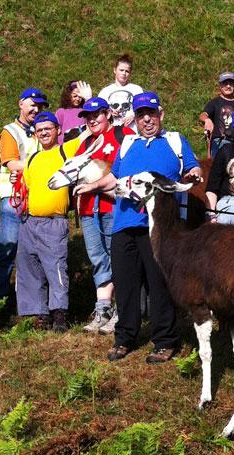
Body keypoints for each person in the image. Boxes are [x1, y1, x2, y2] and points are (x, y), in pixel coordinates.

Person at [75, 91, 203, 363]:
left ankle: (164, 341)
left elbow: (193, 168)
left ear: (161, 115)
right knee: (125, 284)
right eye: (142, 114)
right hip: (123, 224)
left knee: (159, 284)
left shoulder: (175, 141)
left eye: (151, 114)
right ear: (135, 118)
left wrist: (194, 174)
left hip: (159, 228)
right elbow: (114, 178)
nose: (147, 119)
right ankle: (124, 338)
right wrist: (92, 186)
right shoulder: (128, 143)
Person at [15, 111, 83, 331]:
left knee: (56, 267)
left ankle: (60, 314)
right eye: (40, 130)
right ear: (35, 134)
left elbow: (90, 133)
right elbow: (27, 185)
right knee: (29, 268)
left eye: (48, 128)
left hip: (54, 222)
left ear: (58, 130)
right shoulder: (32, 158)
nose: (44, 133)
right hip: (29, 222)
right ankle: (38, 314)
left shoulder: (65, 150)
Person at [74, 96, 124, 334]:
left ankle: (122, 309)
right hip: (88, 208)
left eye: (97, 115)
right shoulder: (85, 143)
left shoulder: (122, 136)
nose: (92, 120)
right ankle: (103, 308)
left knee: (119, 258)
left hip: (114, 207)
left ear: (108, 114)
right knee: (97, 259)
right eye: (88, 117)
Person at [0, 87, 48, 306]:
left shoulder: (40, 130)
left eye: (40, 106)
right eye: (33, 105)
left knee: (32, 252)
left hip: (36, 197)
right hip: (13, 199)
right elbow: (11, 163)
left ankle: (29, 301)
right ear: (20, 104)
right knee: (8, 249)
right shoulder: (10, 131)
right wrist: (44, 166)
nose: (37, 109)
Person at [199, 72, 234, 158]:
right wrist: (207, 120)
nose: (228, 86)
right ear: (220, 85)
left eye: (231, 83)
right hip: (220, 143)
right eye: (225, 83)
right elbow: (203, 115)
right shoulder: (215, 103)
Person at [98, 53, 144, 131]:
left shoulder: (137, 90)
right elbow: (99, 114)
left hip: (133, 131)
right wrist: (109, 113)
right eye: (121, 70)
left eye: (127, 71)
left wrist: (133, 116)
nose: (124, 73)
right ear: (115, 70)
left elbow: (143, 109)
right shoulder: (105, 92)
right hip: (111, 132)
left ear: (130, 73)